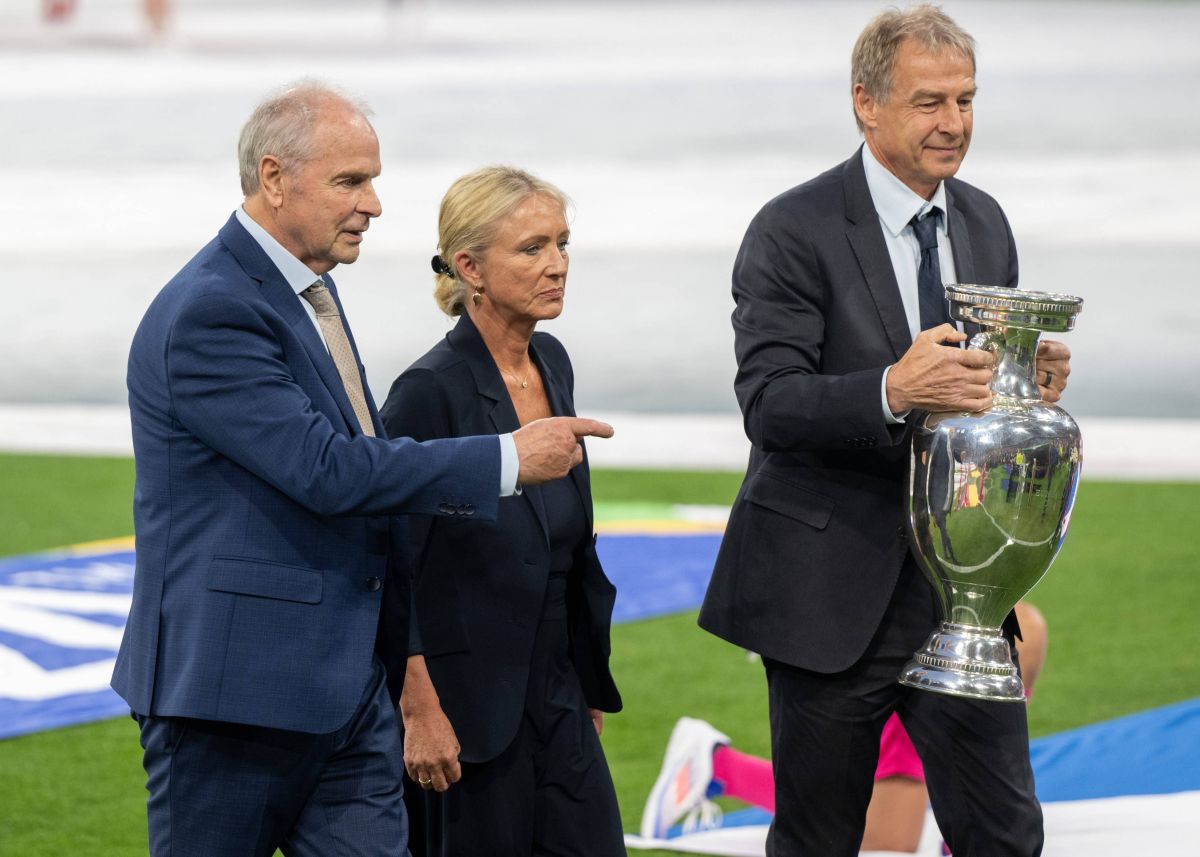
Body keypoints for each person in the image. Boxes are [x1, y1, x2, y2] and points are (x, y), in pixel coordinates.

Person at [112, 83, 611, 857]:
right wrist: (507, 455)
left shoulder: (311, 291)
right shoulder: (211, 311)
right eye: (350, 181)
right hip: (231, 700)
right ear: (274, 178)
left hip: (344, 697)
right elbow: (325, 469)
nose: (374, 204)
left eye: (372, 180)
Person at [697, 7, 1072, 856]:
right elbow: (770, 402)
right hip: (828, 594)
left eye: (967, 100)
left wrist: (1024, 382)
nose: (954, 123)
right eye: (929, 101)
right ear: (867, 105)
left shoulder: (984, 221)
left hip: (963, 595)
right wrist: (891, 389)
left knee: (1007, 832)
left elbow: (977, 400)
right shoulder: (791, 229)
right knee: (820, 839)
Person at [376, 166, 626, 857]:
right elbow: (396, 565)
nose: (558, 266)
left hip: (559, 690)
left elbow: (568, 543)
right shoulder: (428, 391)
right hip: (467, 709)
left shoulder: (552, 359)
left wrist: (582, 675)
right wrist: (418, 708)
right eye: (532, 248)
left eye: (563, 243)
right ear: (469, 267)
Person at [644, 602, 1049, 853]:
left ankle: (955, 830)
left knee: (1024, 633)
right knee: (882, 839)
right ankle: (720, 766)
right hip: (875, 597)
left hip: (940, 583)